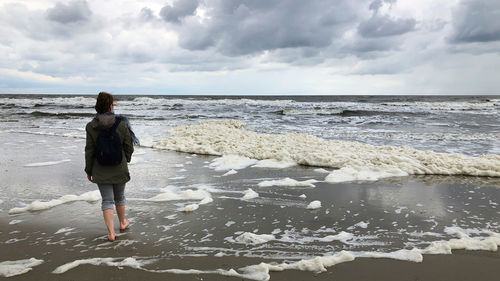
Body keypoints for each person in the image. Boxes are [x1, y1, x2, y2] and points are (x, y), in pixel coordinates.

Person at [84, 92, 137, 241]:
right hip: (119, 166)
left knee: (107, 200)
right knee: (119, 197)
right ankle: (122, 223)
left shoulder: (91, 126)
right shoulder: (121, 123)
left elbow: (89, 150)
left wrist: (89, 170)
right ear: (111, 106)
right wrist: (125, 160)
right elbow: (129, 145)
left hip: (99, 168)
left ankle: (111, 233)